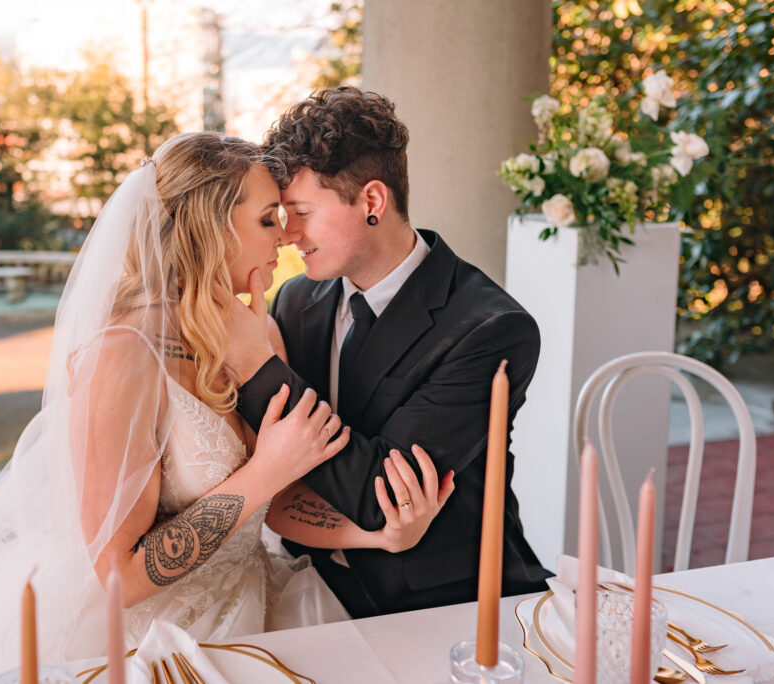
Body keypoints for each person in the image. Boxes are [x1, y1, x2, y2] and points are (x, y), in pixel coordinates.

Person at [0, 132, 453, 682]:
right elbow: (119, 575)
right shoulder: (122, 356)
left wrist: (378, 536)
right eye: (265, 220)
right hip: (145, 640)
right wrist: (264, 471)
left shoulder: (262, 335)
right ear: (209, 229)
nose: (282, 239)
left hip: (256, 606)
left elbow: (278, 507)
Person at [226, 87, 552, 619]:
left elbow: (381, 496)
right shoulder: (296, 298)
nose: (288, 236)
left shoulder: (493, 329)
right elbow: (279, 476)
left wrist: (252, 365)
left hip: (445, 606)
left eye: (301, 212)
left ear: (372, 201)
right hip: (305, 586)